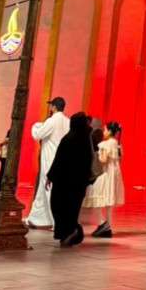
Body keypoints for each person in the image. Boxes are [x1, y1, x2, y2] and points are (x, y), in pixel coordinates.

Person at [46, 111, 94, 247]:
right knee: (72, 209)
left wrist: (50, 176)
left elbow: (59, 159)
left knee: (58, 206)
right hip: (79, 184)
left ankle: (67, 232)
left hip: (63, 182)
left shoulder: (68, 139)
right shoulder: (87, 140)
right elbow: (89, 161)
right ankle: (69, 232)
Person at [24, 97, 70, 229]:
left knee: (50, 190)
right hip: (62, 160)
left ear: (54, 107)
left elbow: (38, 134)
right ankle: (36, 218)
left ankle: (57, 222)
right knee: (44, 190)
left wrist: (36, 125)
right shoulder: (68, 121)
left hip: (50, 160)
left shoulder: (52, 121)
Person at [83, 121, 124, 237]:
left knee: (95, 196)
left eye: (105, 130)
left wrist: (98, 155)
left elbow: (104, 160)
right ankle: (108, 225)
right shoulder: (117, 144)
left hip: (105, 173)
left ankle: (102, 222)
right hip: (114, 174)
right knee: (109, 202)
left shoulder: (105, 144)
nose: (104, 132)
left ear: (110, 131)